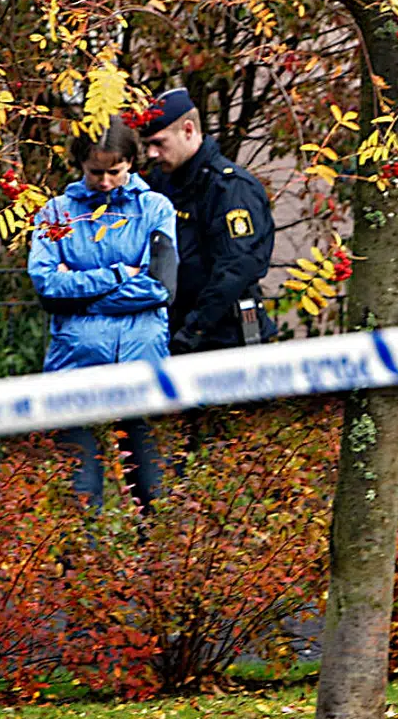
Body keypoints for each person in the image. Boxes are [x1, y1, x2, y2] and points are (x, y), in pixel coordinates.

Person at [28, 117, 178, 511]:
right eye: (96, 172)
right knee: (80, 492)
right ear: (80, 165)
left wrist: (80, 293)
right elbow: (47, 287)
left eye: (115, 171)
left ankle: (157, 571)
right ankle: (81, 571)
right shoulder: (55, 214)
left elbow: (160, 286)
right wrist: (117, 274)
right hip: (74, 367)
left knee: (154, 492)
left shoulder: (156, 209)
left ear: (131, 163)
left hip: (142, 364)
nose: (106, 181)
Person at [138, 88, 275, 355]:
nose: (152, 153)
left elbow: (236, 269)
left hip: (225, 338)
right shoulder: (160, 184)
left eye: (159, 143)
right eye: (148, 146)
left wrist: (191, 332)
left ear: (188, 130)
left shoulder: (230, 189)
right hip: (175, 331)